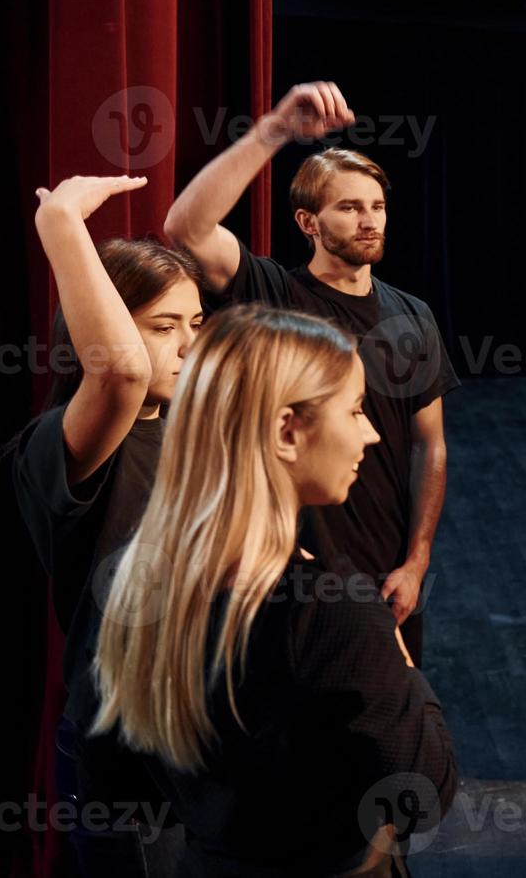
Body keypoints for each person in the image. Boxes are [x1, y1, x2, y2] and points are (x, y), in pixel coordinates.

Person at [87, 304, 457, 877]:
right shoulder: (332, 613)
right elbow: (424, 792)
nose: (372, 432)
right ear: (287, 430)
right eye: (356, 410)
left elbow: (116, 782)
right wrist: (399, 658)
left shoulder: (134, 583)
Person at [162, 82, 458, 663]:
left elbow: (431, 448)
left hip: (385, 578)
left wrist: (416, 560)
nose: (369, 220)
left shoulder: (413, 316)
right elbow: (186, 229)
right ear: (308, 220)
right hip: (283, 577)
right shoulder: (271, 292)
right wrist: (274, 129)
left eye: (376, 206)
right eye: (349, 207)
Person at [10, 175, 203, 875]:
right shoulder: (59, 446)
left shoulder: (185, 425)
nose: (188, 346)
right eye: (162, 327)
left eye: (195, 325)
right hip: (129, 771)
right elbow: (120, 372)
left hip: (200, 753)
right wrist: (61, 218)